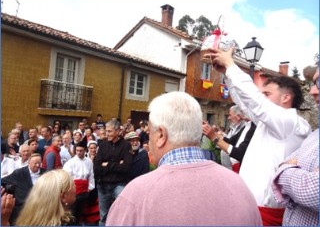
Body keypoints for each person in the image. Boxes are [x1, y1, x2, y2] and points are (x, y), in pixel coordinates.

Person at [106, 91, 262, 226]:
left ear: (161, 135)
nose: (149, 140)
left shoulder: (134, 196)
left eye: (150, 133)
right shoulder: (240, 186)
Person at [207, 47, 311, 225]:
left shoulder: (293, 123)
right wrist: (227, 74)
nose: (261, 98)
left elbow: (256, 102)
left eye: (267, 94)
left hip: (267, 215)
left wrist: (231, 65)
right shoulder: (272, 123)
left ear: (286, 97)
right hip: (251, 207)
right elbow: (246, 103)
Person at [272, 67, 319, 226]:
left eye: (319, 83)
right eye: (313, 83)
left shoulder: (291, 120)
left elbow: (314, 191)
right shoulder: (315, 135)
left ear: (285, 97)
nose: (313, 91)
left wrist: (284, 171)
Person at [93, 119, 133, 225]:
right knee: (103, 217)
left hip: (119, 185)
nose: (107, 134)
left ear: (117, 131)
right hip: (103, 186)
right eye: (106, 131)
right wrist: (117, 164)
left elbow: (126, 168)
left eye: (109, 131)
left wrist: (108, 164)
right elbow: (96, 167)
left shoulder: (126, 146)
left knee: (123, 213)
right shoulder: (103, 145)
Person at [1, 153, 45, 225]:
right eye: (35, 163)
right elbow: (3, 180)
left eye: (39, 163)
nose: (37, 165)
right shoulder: (19, 173)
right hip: (23, 206)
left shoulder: (45, 172)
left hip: (41, 206)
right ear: (29, 163)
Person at [63, 143, 95, 225]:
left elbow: (91, 175)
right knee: (72, 212)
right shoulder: (70, 162)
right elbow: (66, 177)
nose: (79, 152)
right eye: (77, 150)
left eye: (81, 151)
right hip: (74, 191)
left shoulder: (89, 161)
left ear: (85, 151)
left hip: (84, 191)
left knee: (80, 212)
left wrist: (90, 187)